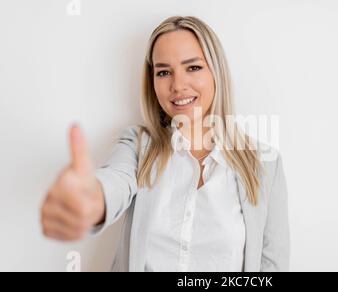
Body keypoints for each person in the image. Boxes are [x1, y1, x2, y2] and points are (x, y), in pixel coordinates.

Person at [40, 16, 290, 272]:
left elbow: (272, 265)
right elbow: (115, 182)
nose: (178, 85)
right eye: (163, 72)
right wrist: (92, 200)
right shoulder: (137, 146)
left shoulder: (265, 163)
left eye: (192, 67)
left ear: (217, 72)